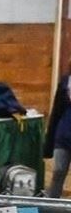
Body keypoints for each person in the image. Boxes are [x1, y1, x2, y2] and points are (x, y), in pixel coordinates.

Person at [43, 67, 71, 198]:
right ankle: (51, 202)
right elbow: (56, 112)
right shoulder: (65, 83)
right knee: (58, 171)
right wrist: (48, 145)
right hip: (63, 135)